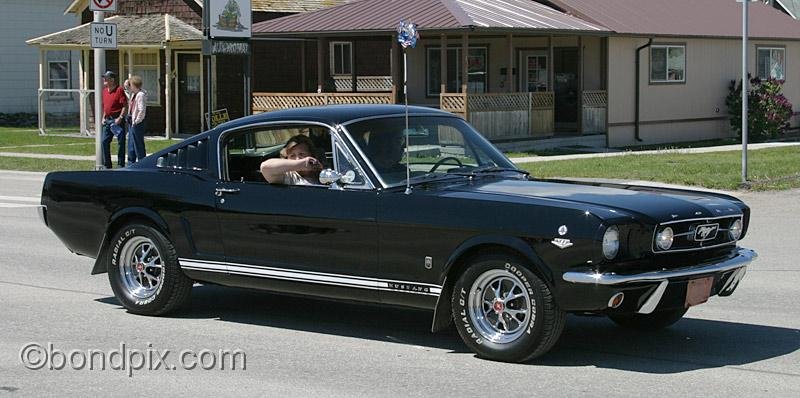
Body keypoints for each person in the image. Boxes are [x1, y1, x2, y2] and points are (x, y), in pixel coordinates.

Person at [100, 71, 128, 168]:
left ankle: (121, 164)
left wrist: (120, 118)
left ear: (112, 80)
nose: (104, 80)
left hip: (117, 120)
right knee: (104, 141)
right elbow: (105, 107)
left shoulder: (119, 90)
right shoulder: (104, 91)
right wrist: (103, 117)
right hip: (108, 120)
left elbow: (125, 106)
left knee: (121, 142)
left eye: (106, 78)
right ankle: (107, 164)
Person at [126, 75, 147, 164]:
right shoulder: (133, 94)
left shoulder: (140, 95)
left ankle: (142, 162)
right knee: (131, 144)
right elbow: (126, 89)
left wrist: (136, 121)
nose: (129, 86)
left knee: (138, 144)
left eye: (131, 85)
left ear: (134, 85)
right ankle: (131, 162)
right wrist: (127, 83)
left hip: (137, 123)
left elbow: (141, 110)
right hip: (131, 121)